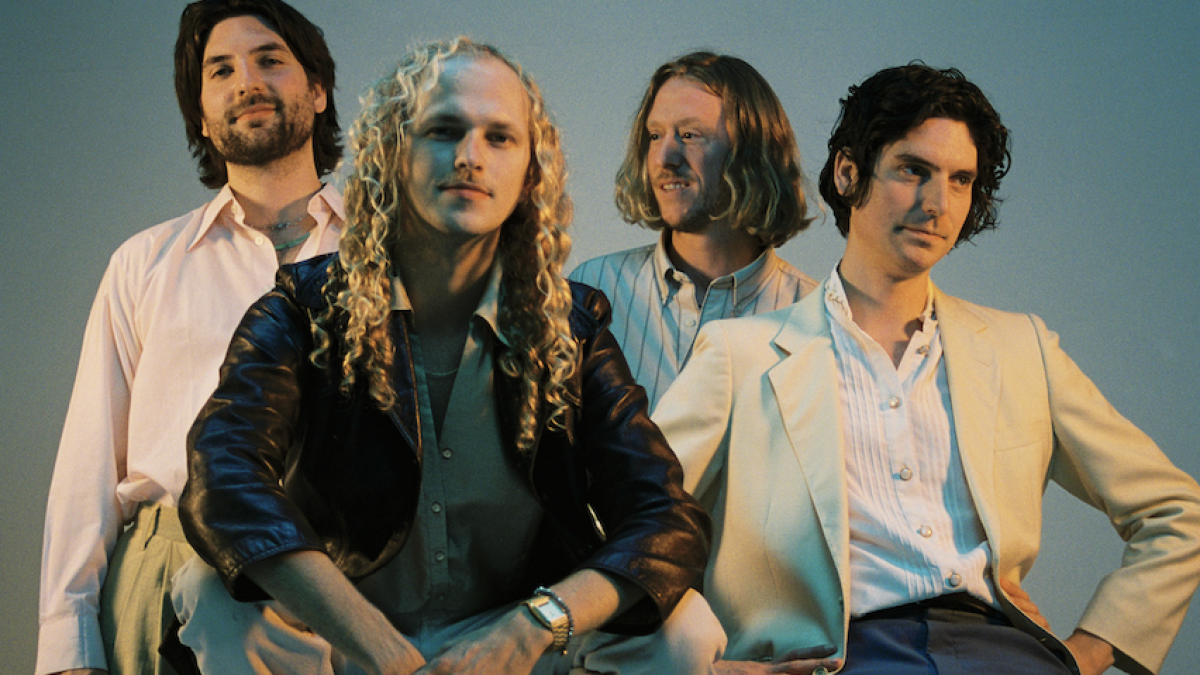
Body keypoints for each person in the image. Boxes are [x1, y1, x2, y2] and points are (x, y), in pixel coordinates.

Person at [167, 38, 710, 675]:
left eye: (500, 137)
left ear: (530, 171)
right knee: (211, 595)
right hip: (341, 640)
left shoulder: (573, 327)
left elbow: (666, 518)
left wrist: (537, 624)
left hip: (504, 647)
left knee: (686, 630)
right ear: (392, 157)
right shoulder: (301, 307)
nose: (470, 157)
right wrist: (373, 642)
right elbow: (223, 478)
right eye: (443, 130)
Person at [653, 63, 1200, 675]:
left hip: (1004, 651)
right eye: (914, 169)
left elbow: (1177, 511)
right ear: (848, 172)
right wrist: (704, 667)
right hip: (838, 656)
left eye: (960, 180)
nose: (938, 203)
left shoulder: (1023, 349)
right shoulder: (740, 355)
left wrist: (1090, 651)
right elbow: (628, 534)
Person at [35, 1, 344, 673]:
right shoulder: (143, 264)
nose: (246, 82)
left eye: (270, 60)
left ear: (317, 90)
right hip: (166, 567)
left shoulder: (393, 256)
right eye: (220, 70)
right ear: (202, 116)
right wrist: (67, 646)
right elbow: (87, 466)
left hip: (346, 579)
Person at [569, 52, 817, 410]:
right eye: (655, 135)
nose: (664, 157)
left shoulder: (812, 317)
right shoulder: (595, 288)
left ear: (752, 153)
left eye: (690, 134)